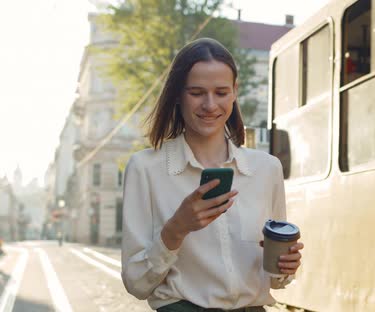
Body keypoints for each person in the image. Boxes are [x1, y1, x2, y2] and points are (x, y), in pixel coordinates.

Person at [121, 38, 304, 312]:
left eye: (221, 92)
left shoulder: (266, 169)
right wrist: (176, 228)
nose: (210, 104)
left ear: (234, 92)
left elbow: (277, 280)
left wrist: (284, 266)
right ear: (178, 95)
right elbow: (137, 284)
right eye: (196, 92)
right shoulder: (145, 169)